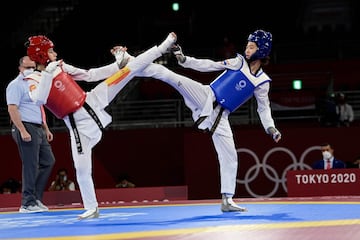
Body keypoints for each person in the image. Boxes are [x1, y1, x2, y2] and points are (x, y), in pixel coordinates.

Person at [24, 32, 177, 219]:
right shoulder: (32, 79)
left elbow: (90, 75)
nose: (55, 53)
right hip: (78, 127)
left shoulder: (61, 66)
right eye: (51, 51)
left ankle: (160, 48)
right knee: (81, 170)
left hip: (93, 101)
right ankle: (92, 207)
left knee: (128, 71)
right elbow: (38, 98)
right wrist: (48, 74)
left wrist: (115, 67)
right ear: (41, 55)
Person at [127, 29, 281, 212]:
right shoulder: (238, 62)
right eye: (247, 45)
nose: (247, 49)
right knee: (169, 75)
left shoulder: (262, 81)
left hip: (221, 117)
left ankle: (227, 200)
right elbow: (210, 65)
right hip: (205, 96)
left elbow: (263, 108)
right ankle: (130, 62)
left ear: (262, 50)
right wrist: (185, 60)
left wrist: (271, 128)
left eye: (252, 46)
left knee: (230, 156)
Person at [6, 56, 56, 213]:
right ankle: (27, 203)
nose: (30, 71)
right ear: (20, 68)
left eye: (32, 67)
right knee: (30, 165)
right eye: (27, 68)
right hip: (25, 126)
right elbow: (12, 109)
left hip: (38, 127)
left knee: (48, 161)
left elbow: (39, 107)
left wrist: (46, 128)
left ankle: (36, 198)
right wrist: (22, 130)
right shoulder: (15, 85)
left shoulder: (35, 83)